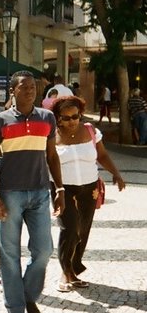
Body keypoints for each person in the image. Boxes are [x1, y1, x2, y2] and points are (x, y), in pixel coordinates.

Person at [0, 70, 65, 313]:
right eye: (25, 87)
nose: (31, 91)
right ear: (13, 91)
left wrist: (60, 189)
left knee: (43, 250)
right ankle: (16, 310)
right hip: (10, 193)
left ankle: (28, 295)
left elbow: (52, 156)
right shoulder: (0, 121)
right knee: (9, 254)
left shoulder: (47, 118)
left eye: (33, 87)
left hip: (40, 192)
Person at [52, 95, 126, 291]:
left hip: (89, 189)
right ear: (58, 117)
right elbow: (46, 162)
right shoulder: (51, 135)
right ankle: (65, 272)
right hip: (62, 189)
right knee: (69, 228)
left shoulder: (91, 131)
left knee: (82, 230)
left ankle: (73, 270)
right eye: (66, 118)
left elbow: (101, 155)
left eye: (75, 116)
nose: (72, 121)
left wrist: (116, 174)